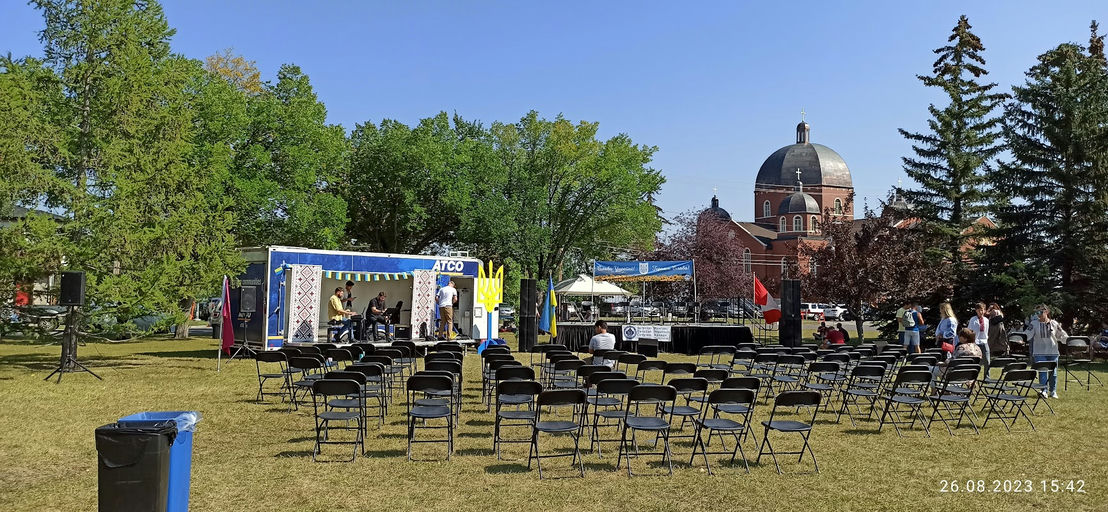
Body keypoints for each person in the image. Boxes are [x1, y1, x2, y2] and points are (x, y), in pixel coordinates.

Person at [1025, 304, 1067, 399]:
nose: (1038, 314)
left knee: (1053, 372)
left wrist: (1068, 340)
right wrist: (1021, 338)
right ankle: (1043, 390)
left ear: (1046, 312)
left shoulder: (1054, 323)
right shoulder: (1034, 324)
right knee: (1042, 371)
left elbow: (1062, 335)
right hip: (1039, 351)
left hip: (1053, 351)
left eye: (1040, 312)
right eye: (1037, 313)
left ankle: (1053, 391)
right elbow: (1027, 334)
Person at [966, 302, 991, 368]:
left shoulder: (986, 320)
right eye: (979, 310)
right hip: (976, 342)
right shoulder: (973, 319)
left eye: (982, 310)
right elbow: (970, 331)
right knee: (976, 361)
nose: (981, 312)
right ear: (976, 310)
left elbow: (987, 331)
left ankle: (987, 377)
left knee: (987, 360)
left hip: (984, 341)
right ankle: (973, 375)